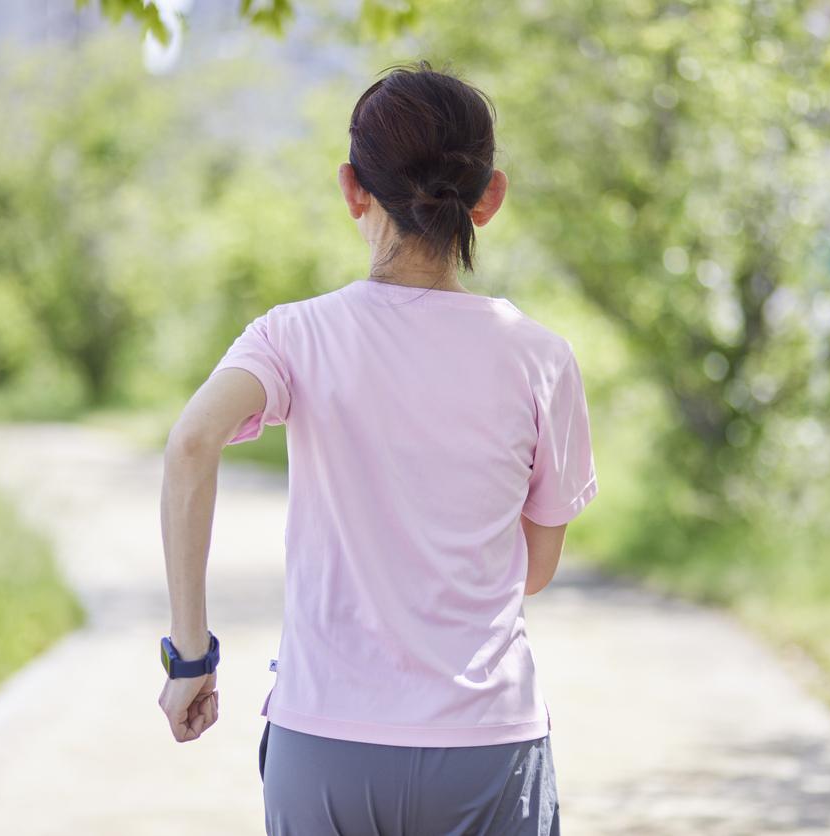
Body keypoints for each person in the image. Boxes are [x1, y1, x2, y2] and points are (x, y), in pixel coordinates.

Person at [158, 59, 598, 836]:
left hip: (325, 739)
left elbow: (192, 441)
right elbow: (533, 570)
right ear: (489, 197)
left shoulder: (293, 334)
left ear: (351, 188)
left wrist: (190, 657)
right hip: (485, 744)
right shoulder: (539, 356)